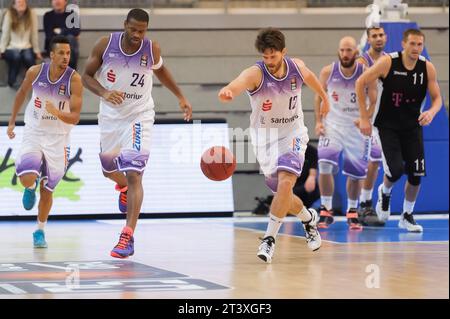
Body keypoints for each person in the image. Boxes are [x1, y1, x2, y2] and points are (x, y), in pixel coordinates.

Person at [82, 9, 192, 258]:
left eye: (142, 31)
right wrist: (104, 92)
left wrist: (181, 97)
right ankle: (121, 187)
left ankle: (127, 236)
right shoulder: (105, 44)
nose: (137, 34)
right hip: (111, 117)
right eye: (133, 29)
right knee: (108, 170)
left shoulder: (151, 48)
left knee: (134, 174)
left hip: (139, 116)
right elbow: (85, 76)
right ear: (125, 25)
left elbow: (161, 70)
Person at [218, 27, 329, 263]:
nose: (269, 61)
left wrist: (325, 99)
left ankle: (269, 239)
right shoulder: (255, 73)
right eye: (265, 57)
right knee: (283, 194)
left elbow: (312, 80)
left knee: (287, 180)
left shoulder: (296, 67)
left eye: (273, 56)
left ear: (283, 52)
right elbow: (237, 84)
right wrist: (229, 91)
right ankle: (308, 218)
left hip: (293, 133)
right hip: (265, 139)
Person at [356, 29, 442, 232]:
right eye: (412, 43)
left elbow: (437, 98)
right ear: (403, 44)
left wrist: (431, 112)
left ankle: (406, 215)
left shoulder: (427, 68)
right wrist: (363, 117)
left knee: (416, 174)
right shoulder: (388, 62)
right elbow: (361, 82)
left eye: (420, 44)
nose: (416, 48)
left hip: (412, 126)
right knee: (395, 170)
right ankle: (384, 192)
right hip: (387, 126)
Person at [6, 35, 83, 248]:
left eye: (68, 53)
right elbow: (21, 94)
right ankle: (29, 187)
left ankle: (39, 231)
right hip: (35, 131)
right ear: (51, 54)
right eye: (61, 53)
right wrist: (12, 122)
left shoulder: (74, 79)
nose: (66, 57)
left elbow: (75, 117)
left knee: (48, 190)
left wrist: (56, 113)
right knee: (26, 177)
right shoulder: (35, 72)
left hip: (59, 137)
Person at [315, 36, 377, 231]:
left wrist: (366, 118)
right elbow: (318, 97)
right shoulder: (327, 71)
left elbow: (374, 100)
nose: (345, 54)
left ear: (356, 52)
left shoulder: (366, 73)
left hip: (356, 128)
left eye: (349, 50)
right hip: (332, 125)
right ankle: (326, 209)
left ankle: (352, 211)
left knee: (356, 173)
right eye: (342, 50)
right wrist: (318, 121)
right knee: (324, 164)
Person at [356, 27, 387, 225]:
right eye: (374, 36)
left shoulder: (390, 61)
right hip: (364, 120)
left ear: (386, 37)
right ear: (368, 39)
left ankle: (370, 200)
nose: (378, 38)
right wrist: (362, 117)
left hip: (385, 120)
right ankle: (363, 205)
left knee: (381, 164)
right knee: (370, 161)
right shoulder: (362, 63)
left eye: (380, 35)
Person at [252, 142, 320, 215]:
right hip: (290, 186)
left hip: (303, 188)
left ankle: (280, 206)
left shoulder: (311, 151)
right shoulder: (280, 151)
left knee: (286, 194)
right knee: (283, 190)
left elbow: (311, 177)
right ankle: (276, 205)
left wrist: (311, 178)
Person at [0, 0, 42, 89]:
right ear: (14, 5)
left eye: (23, 2)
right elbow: (5, 34)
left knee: (29, 57)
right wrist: (1, 49)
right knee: (16, 56)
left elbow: (34, 34)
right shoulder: (9, 14)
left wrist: (37, 50)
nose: (21, 4)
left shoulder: (31, 14)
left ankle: (38, 82)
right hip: (11, 47)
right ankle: (11, 81)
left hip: (26, 46)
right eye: (18, 2)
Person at [44, 0, 80, 70]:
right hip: (53, 47)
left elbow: (76, 32)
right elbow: (49, 35)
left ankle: (70, 74)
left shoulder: (73, 14)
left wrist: (60, 31)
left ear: (65, 2)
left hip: (70, 49)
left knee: (70, 39)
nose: (57, 1)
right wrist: (67, 31)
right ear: (51, 2)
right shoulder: (47, 16)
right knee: (69, 38)